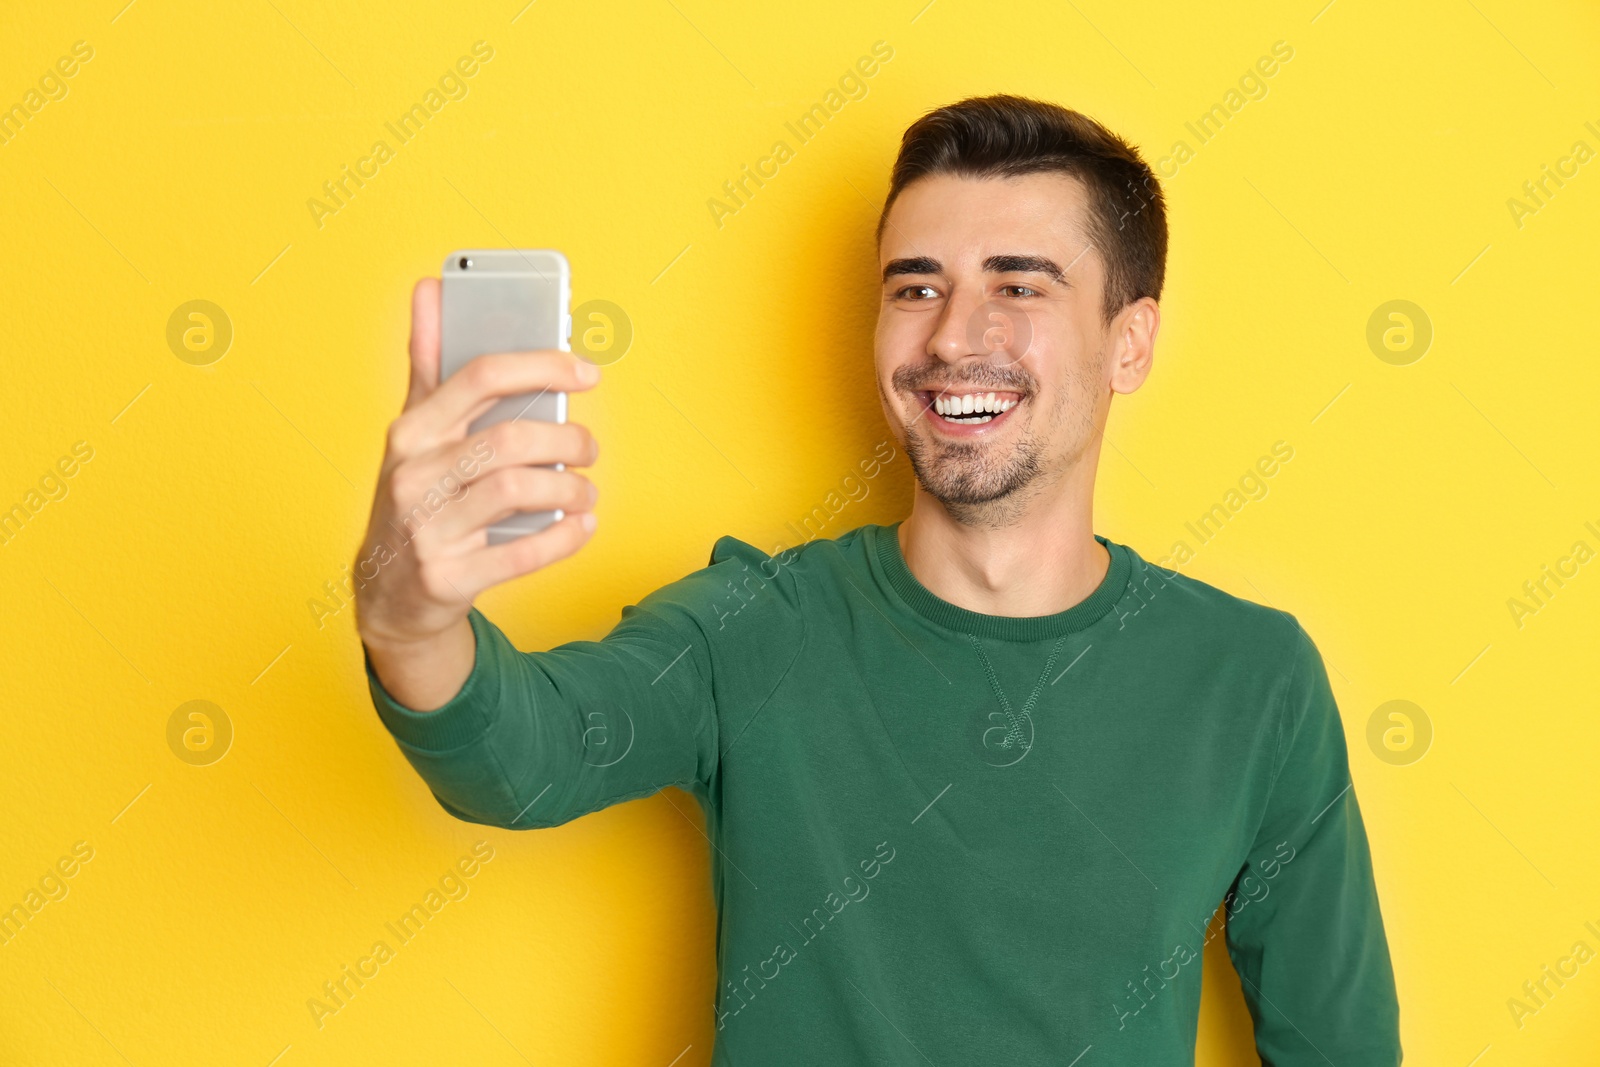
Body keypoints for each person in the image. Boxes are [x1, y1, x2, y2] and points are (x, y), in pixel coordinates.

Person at [354, 94, 1402, 1065]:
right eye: (916, 287)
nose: (951, 335)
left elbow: (1340, 1046)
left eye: (1017, 284)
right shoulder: (753, 628)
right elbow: (522, 756)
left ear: (1127, 342)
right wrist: (406, 614)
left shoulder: (1252, 677)